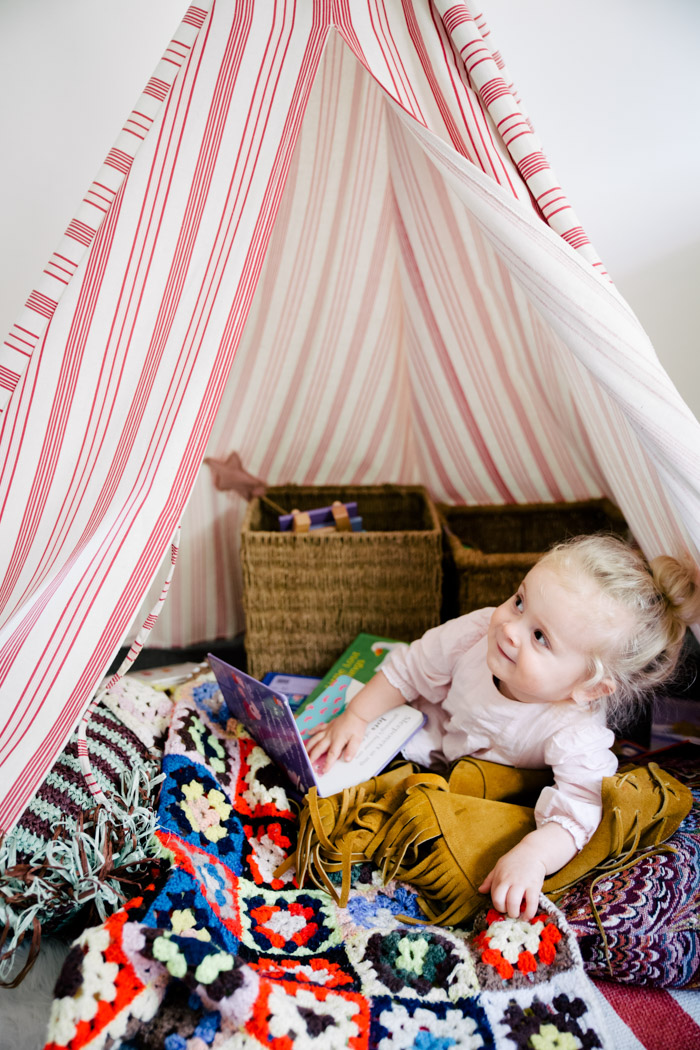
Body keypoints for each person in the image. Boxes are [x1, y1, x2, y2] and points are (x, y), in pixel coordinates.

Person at [305, 534, 700, 921]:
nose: (511, 629)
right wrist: (356, 716)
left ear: (589, 688)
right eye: (519, 601)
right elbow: (410, 668)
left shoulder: (575, 730)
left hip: (498, 786)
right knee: (346, 790)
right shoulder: (476, 634)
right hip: (436, 739)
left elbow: (579, 811)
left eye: (540, 637)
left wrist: (533, 855)